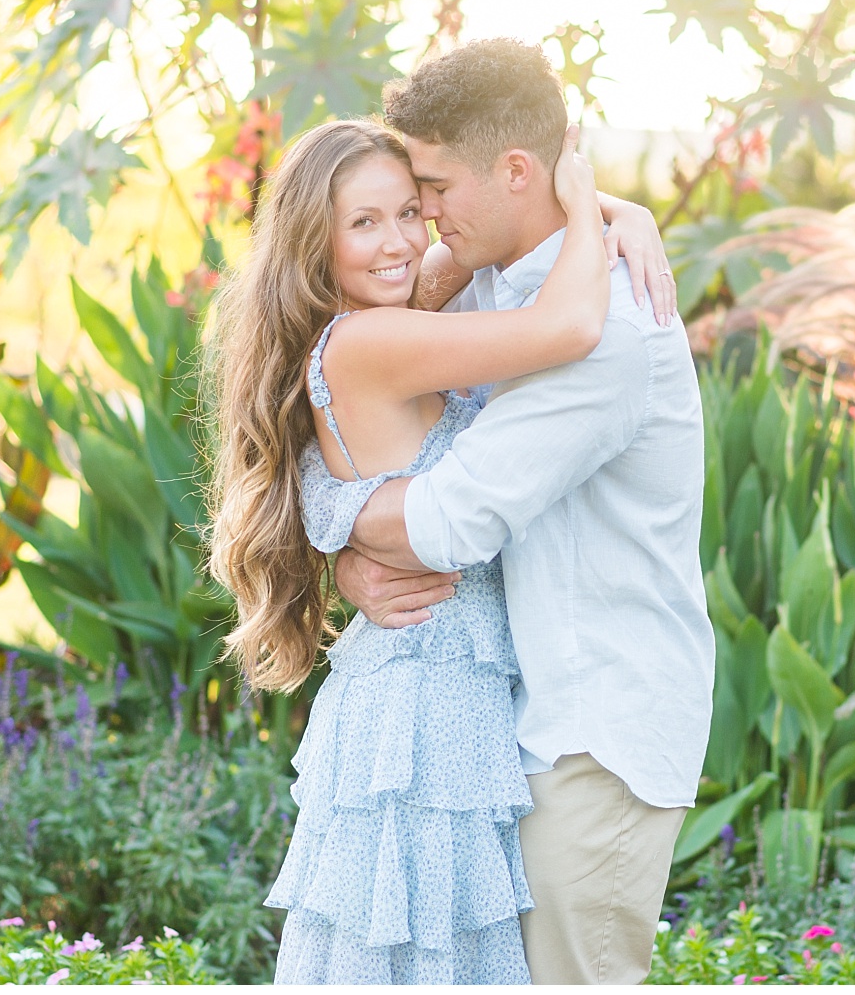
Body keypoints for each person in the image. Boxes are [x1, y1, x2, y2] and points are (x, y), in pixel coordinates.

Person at [204, 114, 671, 983]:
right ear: (318, 243)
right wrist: (583, 193)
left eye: (409, 213)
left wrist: (620, 212)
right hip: (425, 708)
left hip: (437, 684)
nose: (398, 242)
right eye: (363, 223)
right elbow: (568, 327)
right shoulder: (374, 338)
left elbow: (495, 217)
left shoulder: (392, 312)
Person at [331, 39, 716, 985]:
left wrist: (337, 521)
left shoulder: (607, 330)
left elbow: (448, 524)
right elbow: (404, 440)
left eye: (434, 186)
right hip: (521, 726)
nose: (421, 213)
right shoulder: (493, 284)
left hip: (596, 735)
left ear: (515, 171)